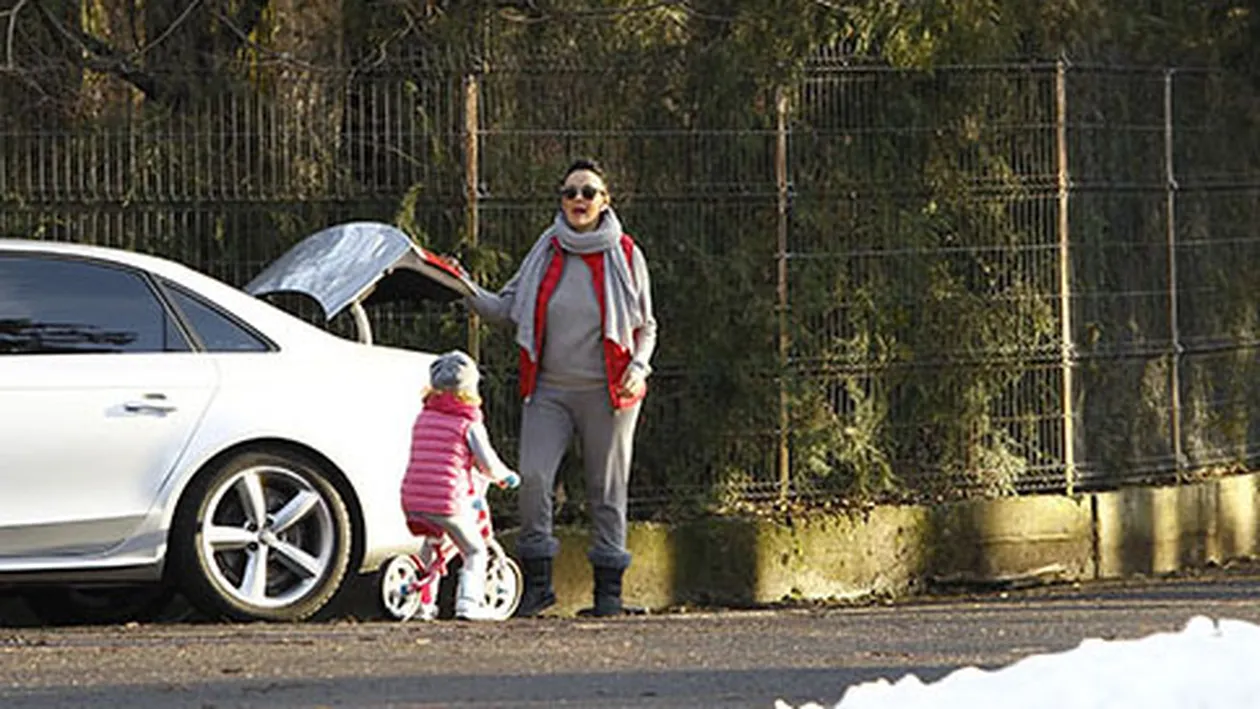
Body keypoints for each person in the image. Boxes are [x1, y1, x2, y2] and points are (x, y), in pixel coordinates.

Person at [464, 158, 658, 617]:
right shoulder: (546, 250)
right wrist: (460, 285)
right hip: (548, 389)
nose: (578, 200)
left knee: (607, 489)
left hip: (609, 392)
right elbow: (503, 308)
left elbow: (646, 325)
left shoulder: (627, 254)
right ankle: (538, 587)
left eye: (589, 192)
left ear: (605, 201)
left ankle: (608, 596)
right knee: (532, 477)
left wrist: (640, 364)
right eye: (570, 192)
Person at [399, 349, 521, 621]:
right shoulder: (468, 423)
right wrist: (506, 477)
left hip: (413, 498)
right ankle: (469, 603)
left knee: (432, 546)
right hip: (446, 501)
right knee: (475, 549)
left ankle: (422, 607)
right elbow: (487, 464)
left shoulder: (424, 417)